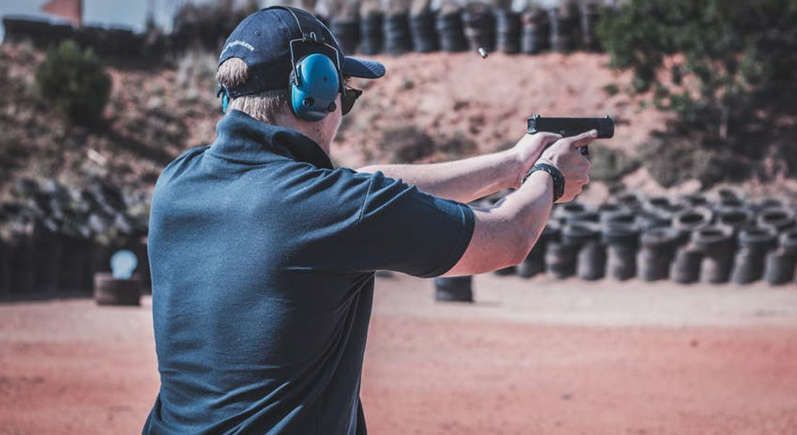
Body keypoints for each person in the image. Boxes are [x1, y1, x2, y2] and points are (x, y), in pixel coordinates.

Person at [143, 6, 595, 434]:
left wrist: (512, 165)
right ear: (316, 92)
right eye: (346, 95)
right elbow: (510, 236)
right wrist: (550, 175)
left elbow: (361, 186)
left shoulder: (177, 183)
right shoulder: (332, 207)